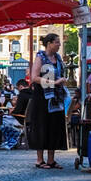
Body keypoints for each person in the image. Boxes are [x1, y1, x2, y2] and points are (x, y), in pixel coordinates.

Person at [27, 32, 68, 169]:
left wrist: (61, 82)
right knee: (42, 125)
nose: (59, 45)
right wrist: (54, 82)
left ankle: (51, 159)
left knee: (54, 126)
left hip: (56, 97)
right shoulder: (41, 57)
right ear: (49, 43)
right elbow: (34, 77)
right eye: (57, 42)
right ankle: (40, 160)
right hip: (42, 97)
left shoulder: (58, 57)